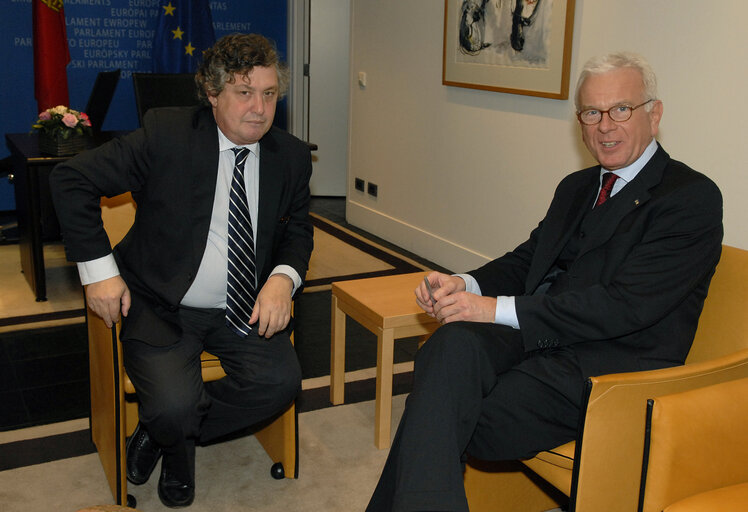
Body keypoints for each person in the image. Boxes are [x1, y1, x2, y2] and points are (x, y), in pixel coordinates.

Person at [366, 52, 723, 511]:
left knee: (462, 411)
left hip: (613, 364)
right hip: (543, 335)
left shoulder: (689, 198)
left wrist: (493, 310)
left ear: (653, 114)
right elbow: (530, 259)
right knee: (447, 349)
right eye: (592, 113)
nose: (605, 126)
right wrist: (465, 284)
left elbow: (623, 307)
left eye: (621, 109)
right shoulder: (577, 186)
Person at [50, 33, 313, 508]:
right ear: (212, 94)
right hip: (161, 303)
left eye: (270, 94)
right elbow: (71, 179)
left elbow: (297, 232)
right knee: (173, 403)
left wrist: (282, 279)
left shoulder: (289, 157)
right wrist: (100, 271)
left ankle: (166, 436)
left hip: (243, 306)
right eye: (244, 92)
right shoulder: (166, 134)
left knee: (280, 385)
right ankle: (173, 435)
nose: (260, 108)